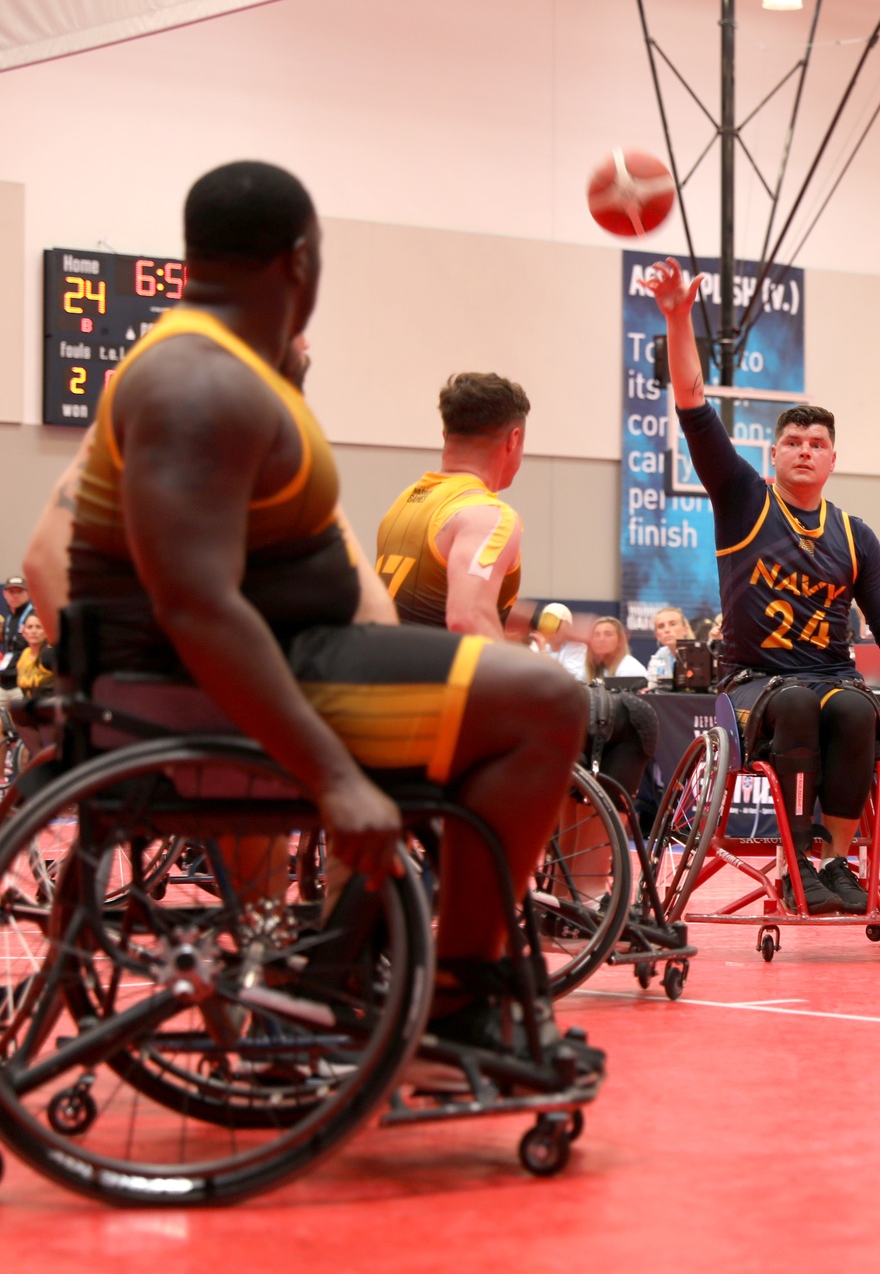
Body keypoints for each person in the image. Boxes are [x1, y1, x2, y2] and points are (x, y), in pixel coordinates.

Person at [32, 161, 597, 1064]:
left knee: (502, 704)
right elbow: (196, 603)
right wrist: (333, 777)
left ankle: (345, 967)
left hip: (281, 659)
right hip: (219, 688)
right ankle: (457, 999)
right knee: (546, 702)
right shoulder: (200, 385)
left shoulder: (217, 370)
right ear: (301, 261)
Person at [647, 257, 880, 916]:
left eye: (817, 442)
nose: (804, 449)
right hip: (752, 682)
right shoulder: (743, 499)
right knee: (797, 703)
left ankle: (835, 861)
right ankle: (796, 856)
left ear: (833, 457)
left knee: (859, 710)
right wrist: (679, 317)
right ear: (773, 455)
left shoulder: (853, 534)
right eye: (792, 440)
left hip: (831, 678)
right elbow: (692, 406)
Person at [376, 372, 527, 639]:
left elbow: (433, 601)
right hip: (435, 678)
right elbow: (468, 618)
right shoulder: (489, 516)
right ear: (513, 439)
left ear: (445, 434)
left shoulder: (407, 500)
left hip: (380, 670)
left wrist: (535, 620)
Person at [0, 576, 35, 711]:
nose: (15, 596)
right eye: (11, 592)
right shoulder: (8, 618)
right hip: (6, 682)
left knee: (23, 728)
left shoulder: (33, 617)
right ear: (4, 594)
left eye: (19, 592)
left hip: (23, 683)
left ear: (28, 593)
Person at [583, 617, 646, 684]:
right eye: (596, 635)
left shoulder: (630, 669)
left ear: (620, 640)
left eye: (608, 634)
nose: (601, 639)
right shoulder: (590, 669)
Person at [646, 605, 693, 683]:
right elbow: (653, 684)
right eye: (661, 626)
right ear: (657, 635)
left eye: (672, 624)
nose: (667, 630)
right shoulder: (660, 655)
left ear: (685, 630)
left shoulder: (698, 653)